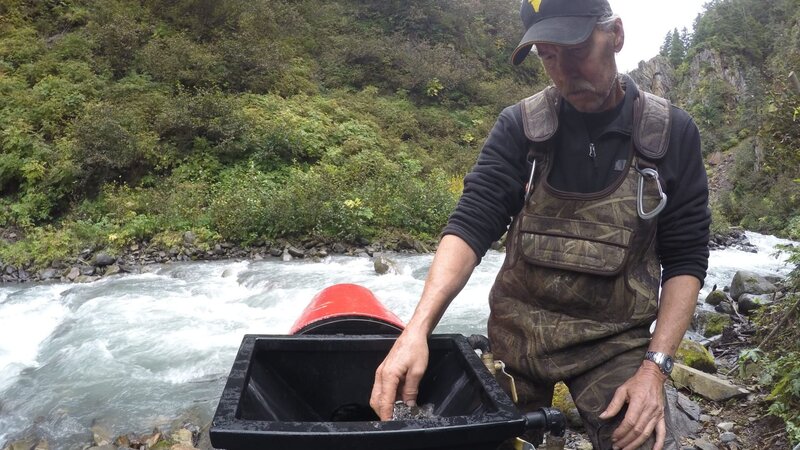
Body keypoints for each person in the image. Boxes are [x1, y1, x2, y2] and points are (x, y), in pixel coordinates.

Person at [370, 0, 710, 449]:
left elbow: (685, 258)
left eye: (576, 49)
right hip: (517, 337)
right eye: (549, 55)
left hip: (614, 343)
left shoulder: (671, 133)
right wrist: (416, 331)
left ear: (617, 35)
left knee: (645, 441)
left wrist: (654, 369)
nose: (565, 71)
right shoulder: (519, 127)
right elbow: (471, 224)